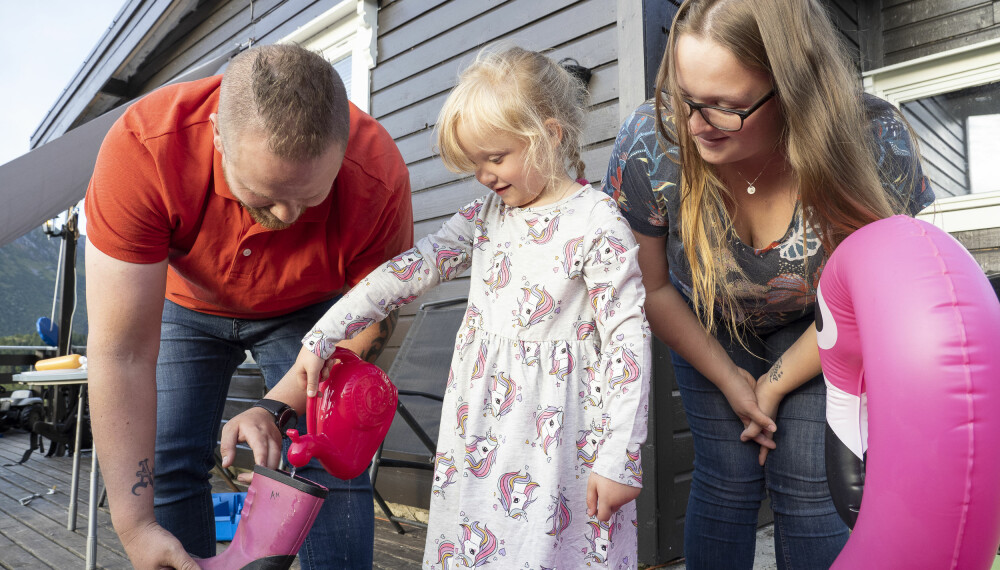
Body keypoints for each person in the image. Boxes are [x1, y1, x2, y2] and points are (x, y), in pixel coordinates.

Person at [229, 45, 652, 569]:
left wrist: (620, 458)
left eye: (495, 158)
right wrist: (324, 335)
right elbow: (407, 271)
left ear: (550, 135)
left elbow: (627, 342)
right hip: (479, 433)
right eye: (475, 163)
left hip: (559, 438)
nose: (485, 175)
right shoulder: (485, 215)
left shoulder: (596, 222)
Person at [603, 1, 934, 568]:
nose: (694, 126)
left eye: (726, 108)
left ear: (794, 90)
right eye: (686, 98)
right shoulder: (648, 143)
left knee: (809, 485)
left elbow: (873, 302)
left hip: (826, 321)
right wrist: (732, 380)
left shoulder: (874, 142)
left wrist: (774, 384)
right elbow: (652, 288)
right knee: (726, 480)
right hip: (705, 318)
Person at [84, 44, 413, 570]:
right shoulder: (143, 149)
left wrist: (277, 407)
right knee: (170, 456)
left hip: (316, 313)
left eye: (311, 196)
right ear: (218, 137)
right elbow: (120, 353)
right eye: (263, 195)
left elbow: (368, 323)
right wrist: (136, 527)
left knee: (329, 455)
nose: (284, 214)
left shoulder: (376, 173)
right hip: (185, 300)